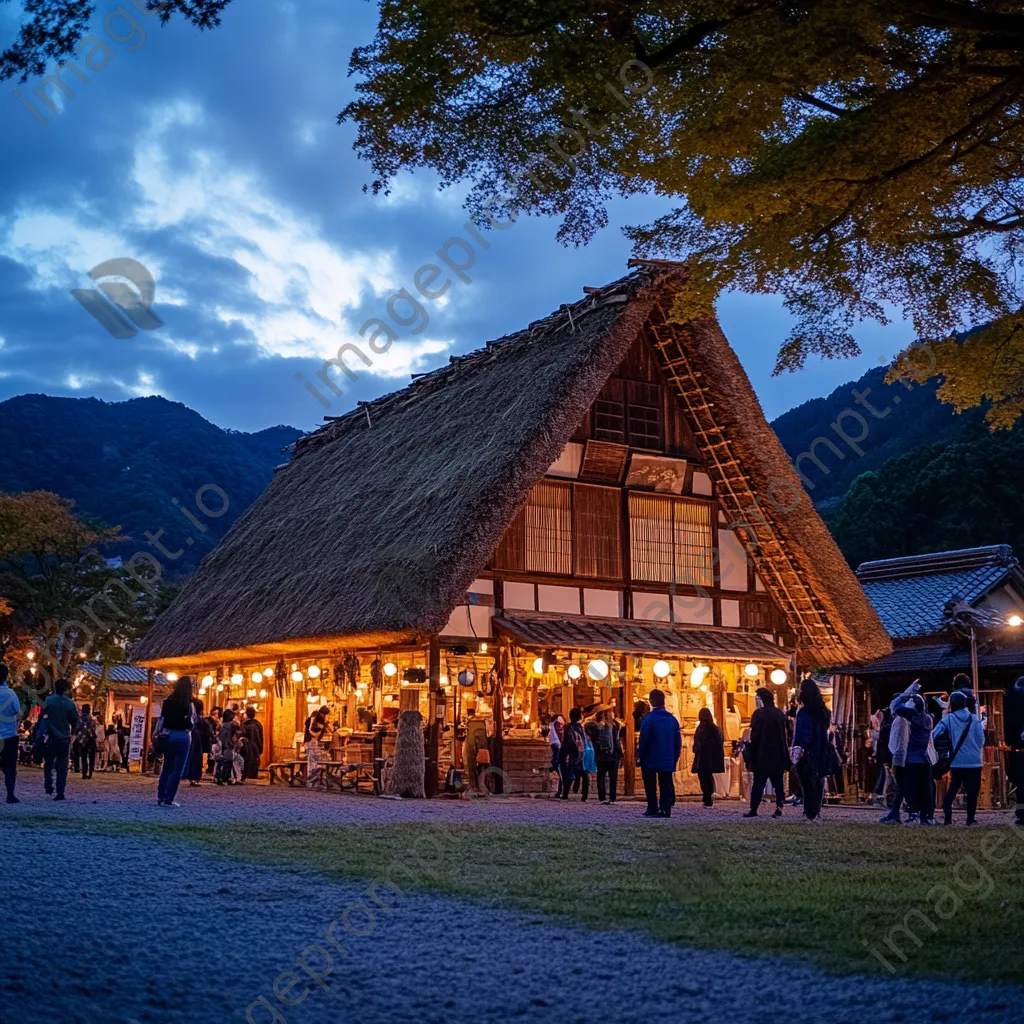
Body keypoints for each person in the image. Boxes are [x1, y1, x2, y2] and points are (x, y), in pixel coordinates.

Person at [933, 690, 985, 826]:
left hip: (957, 761)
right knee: (972, 792)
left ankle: (948, 819)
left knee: (953, 787)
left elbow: (934, 735)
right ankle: (970, 819)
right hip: (974, 761)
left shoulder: (948, 719)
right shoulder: (974, 719)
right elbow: (981, 741)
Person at [888, 684, 936, 826]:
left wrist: (905, 695)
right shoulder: (928, 718)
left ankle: (913, 813)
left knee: (910, 787)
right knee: (925, 788)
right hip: (925, 757)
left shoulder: (910, 717)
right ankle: (927, 816)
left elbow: (895, 707)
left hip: (911, 758)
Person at [744, 687, 791, 818]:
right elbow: (785, 734)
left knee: (759, 782)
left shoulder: (758, 714)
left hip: (762, 753)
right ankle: (779, 808)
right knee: (778, 783)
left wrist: (750, 748)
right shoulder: (780, 714)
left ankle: (753, 809)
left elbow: (755, 735)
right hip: (778, 753)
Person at [792, 678, 833, 822]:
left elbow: (804, 734)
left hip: (808, 751)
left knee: (807, 782)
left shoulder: (804, 713)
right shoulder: (824, 712)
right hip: (822, 749)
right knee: (819, 780)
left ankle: (810, 812)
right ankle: (816, 810)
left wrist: (798, 749)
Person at [637, 688, 681, 818]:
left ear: (651, 701)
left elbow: (644, 740)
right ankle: (665, 808)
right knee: (666, 784)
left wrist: (641, 756)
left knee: (650, 784)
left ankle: (652, 807)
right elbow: (677, 742)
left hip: (650, 757)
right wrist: (675, 757)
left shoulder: (648, 720)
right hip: (667, 757)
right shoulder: (672, 720)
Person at [156, 676, 195, 807]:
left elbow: (161, 720)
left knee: (167, 767)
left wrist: (157, 733)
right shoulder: (188, 704)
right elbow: (192, 722)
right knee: (178, 770)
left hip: (169, 734)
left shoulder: (168, 702)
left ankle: (161, 797)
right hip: (183, 736)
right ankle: (169, 799)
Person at [42, 679, 80, 801]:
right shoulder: (70, 703)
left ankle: (48, 783)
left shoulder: (48, 700)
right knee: (62, 766)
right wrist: (73, 732)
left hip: (50, 736)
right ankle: (60, 792)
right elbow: (75, 721)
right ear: (66, 689)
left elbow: (43, 716)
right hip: (64, 738)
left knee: (48, 763)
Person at [691, 707, 725, 808]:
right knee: (708, 777)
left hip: (703, 757)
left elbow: (697, 743)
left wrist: (697, 749)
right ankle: (707, 796)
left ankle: (707, 796)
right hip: (710, 757)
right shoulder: (715, 729)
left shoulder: (701, 729)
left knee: (704, 777)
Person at [588, 710, 623, 804]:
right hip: (613, 754)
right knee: (613, 777)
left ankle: (602, 796)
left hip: (601, 755)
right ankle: (612, 797)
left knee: (601, 777)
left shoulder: (597, 727)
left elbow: (593, 737)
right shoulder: (615, 726)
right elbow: (618, 739)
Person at [558, 707, 591, 801]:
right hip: (581, 753)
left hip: (572, 754)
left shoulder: (568, 727)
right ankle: (584, 795)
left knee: (568, 774)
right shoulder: (581, 727)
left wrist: (563, 754)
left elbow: (566, 742)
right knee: (584, 774)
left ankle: (565, 793)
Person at [0, 665, 22, 804]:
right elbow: (18, 713)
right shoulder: (11, 694)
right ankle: (10, 794)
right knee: (10, 767)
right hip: (9, 736)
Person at [1005, 676, 1024, 825]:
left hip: (1017, 748)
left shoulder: (1011, 699)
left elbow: (1007, 723)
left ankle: (1021, 814)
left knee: (1021, 783)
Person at [184, 698, 213, 787]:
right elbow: (208, 731)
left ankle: (190, 776)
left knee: (191, 758)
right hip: (198, 741)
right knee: (196, 759)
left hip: (190, 740)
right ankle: (195, 778)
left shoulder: (190, 718)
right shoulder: (200, 720)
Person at [215, 708, 240, 784]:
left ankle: (219, 776)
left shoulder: (222, 725)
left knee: (221, 762)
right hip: (228, 744)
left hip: (222, 744)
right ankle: (226, 777)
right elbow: (239, 729)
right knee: (228, 762)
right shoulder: (231, 724)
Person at [75, 704, 98, 780]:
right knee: (92, 756)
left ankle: (84, 773)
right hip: (90, 739)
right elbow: (93, 729)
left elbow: (77, 729)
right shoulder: (91, 719)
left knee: (83, 756)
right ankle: (90, 772)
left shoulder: (79, 719)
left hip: (82, 739)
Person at [240, 707, 264, 780]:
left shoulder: (244, 724)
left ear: (246, 714)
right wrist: (260, 748)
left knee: (246, 763)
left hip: (245, 748)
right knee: (254, 764)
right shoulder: (258, 724)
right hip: (255, 747)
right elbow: (261, 737)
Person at [547, 714, 564, 796]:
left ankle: (560, 791)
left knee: (560, 773)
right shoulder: (556, 725)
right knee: (561, 773)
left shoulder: (553, 726)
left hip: (557, 750)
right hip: (558, 750)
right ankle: (560, 791)